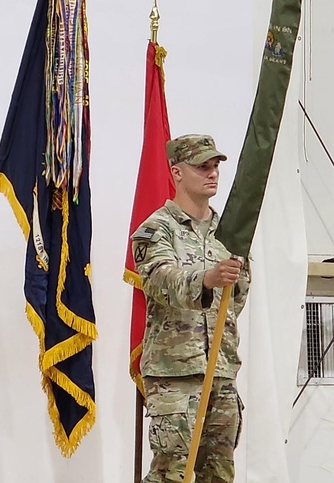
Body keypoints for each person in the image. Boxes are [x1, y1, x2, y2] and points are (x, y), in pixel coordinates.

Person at [131, 134, 251, 483]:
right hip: (175, 376)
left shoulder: (229, 234)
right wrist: (207, 279)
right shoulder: (156, 229)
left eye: (215, 166)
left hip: (221, 371)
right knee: (173, 474)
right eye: (202, 166)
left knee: (219, 473)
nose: (212, 173)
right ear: (177, 172)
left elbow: (238, 297)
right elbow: (160, 281)